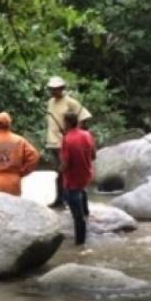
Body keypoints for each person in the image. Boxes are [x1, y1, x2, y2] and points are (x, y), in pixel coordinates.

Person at [45, 76, 92, 209]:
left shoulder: (70, 102)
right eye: (51, 89)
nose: (53, 91)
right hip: (52, 142)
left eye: (56, 89)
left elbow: (84, 117)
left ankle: (67, 200)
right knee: (59, 173)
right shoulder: (50, 102)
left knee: (65, 172)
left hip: (65, 142)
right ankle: (61, 199)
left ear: (62, 88)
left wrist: (74, 133)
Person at [60, 111, 96, 245]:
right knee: (82, 192)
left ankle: (80, 243)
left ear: (67, 123)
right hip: (85, 175)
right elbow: (93, 156)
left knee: (77, 216)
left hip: (72, 179)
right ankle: (86, 212)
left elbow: (65, 164)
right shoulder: (87, 134)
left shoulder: (67, 139)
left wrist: (60, 170)